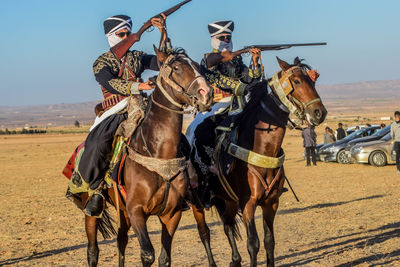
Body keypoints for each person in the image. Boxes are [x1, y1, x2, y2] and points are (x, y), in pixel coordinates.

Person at [76, 14, 170, 216]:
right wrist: (138, 86)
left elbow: (164, 62)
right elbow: (111, 83)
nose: (127, 36)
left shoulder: (137, 56)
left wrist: (163, 32)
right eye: (122, 34)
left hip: (141, 106)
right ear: (111, 36)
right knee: (98, 143)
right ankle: (96, 189)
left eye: (129, 33)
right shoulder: (101, 62)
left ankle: (186, 185)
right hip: (114, 109)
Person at [188, 20, 262, 206]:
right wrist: (241, 53)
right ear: (214, 39)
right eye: (222, 37)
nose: (226, 40)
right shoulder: (208, 59)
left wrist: (254, 62)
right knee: (199, 133)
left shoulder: (237, 60)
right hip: (218, 105)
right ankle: (205, 180)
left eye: (229, 37)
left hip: (239, 103)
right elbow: (216, 78)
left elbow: (249, 77)